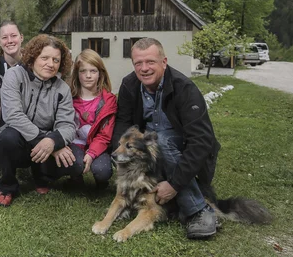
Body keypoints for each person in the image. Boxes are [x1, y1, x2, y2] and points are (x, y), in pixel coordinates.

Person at [111, 37, 221, 239]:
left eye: (150, 62)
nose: (144, 68)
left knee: (161, 139)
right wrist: (121, 158)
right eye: (138, 63)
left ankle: (200, 210)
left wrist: (174, 185)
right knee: (153, 141)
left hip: (182, 150)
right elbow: (122, 126)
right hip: (152, 157)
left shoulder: (185, 89)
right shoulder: (129, 85)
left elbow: (201, 141)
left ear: (164, 62)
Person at [0, 34, 81, 207]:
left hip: (46, 141)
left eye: (56, 60)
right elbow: (13, 115)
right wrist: (46, 142)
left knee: (76, 163)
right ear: (33, 57)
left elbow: (68, 125)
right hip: (17, 137)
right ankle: (8, 185)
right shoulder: (14, 76)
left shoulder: (62, 88)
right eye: (45, 58)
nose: (50, 64)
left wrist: (53, 141)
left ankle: (41, 175)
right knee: (7, 138)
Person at [68, 49, 117, 189]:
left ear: (100, 73)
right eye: (83, 71)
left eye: (93, 71)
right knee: (75, 163)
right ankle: (75, 178)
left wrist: (91, 153)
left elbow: (105, 135)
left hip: (98, 144)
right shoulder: (68, 98)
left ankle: (102, 182)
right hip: (75, 144)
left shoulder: (108, 101)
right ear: (77, 74)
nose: (88, 75)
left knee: (102, 171)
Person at [0, 20, 23, 119]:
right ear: (0, 42)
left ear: (21, 37)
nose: (10, 41)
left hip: (24, 119)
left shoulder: (32, 66)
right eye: (4, 37)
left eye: (13, 35)